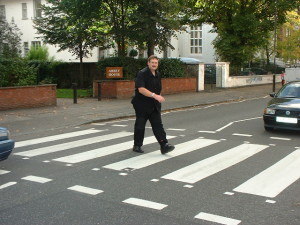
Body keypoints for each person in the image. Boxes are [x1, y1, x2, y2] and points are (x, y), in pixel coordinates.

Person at [131, 55, 175, 154]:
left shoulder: (158, 74)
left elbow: (158, 89)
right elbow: (141, 89)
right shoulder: (142, 73)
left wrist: (158, 97)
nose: (154, 64)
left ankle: (164, 145)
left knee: (158, 125)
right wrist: (155, 96)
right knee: (140, 125)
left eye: (156, 63)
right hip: (141, 104)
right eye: (152, 62)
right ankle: (137, 145)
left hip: (154, 105)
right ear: (148, 63)